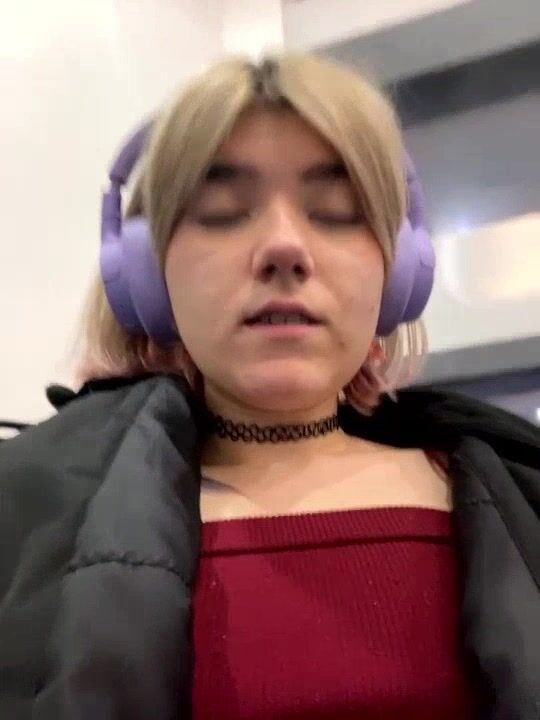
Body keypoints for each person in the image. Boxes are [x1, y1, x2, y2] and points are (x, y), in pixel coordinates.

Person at [0, 52, 538, 720]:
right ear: (145, 274)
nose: (285, 247)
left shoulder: (519, 495)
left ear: (399, 272)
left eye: (337, 210)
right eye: (222, 211)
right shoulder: (23, 513)